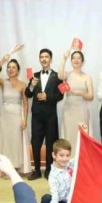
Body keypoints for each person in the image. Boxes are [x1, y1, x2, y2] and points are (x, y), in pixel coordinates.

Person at [34, 129, 87, 203]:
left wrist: (84, 133)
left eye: (67, 155)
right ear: (54, 155)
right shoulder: (53, 175)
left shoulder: (70, 164)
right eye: (61, 155)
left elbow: (81, 153)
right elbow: (55, 197)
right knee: (46, 199)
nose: (65, 158)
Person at [25, 48, 64, 180]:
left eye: (46, 57)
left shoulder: (57, 76)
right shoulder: (34, 75)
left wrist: (48, 97)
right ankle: (36, 170)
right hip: (36, 115)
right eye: (42, 57)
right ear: (39, 59)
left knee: (51, 143)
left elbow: (60, 95)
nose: (44, 59)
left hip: (50, 115)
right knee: (35, 142)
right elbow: (27, 94)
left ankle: (48, 169)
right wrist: (31, 86)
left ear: (50, 59)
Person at [0, 55, 31, 173]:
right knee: (5, 140)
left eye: (14, 67)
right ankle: (3, 166)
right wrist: (1, 62)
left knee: (15, 141)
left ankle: (15, 165)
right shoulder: (3, 82)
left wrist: (25, 119)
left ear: (18, 70)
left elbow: (25, 104)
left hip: (17, 116)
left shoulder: (23, 84)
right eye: (9, 67)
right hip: (4, 116)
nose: (11, 69)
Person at [58, 50, 94, 152]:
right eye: (74, 58)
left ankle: (81, 158)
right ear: (71, 61)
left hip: (81, 109)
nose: (76, 60)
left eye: (79, 58)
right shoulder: (67, 74)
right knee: (68, 133)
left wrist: (81, 93)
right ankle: (68, 157)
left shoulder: (87, 77)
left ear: (82, 61)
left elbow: (91, 96)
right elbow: (59, 76)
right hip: (69, 109)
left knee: (81, 134)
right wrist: (64, 58)